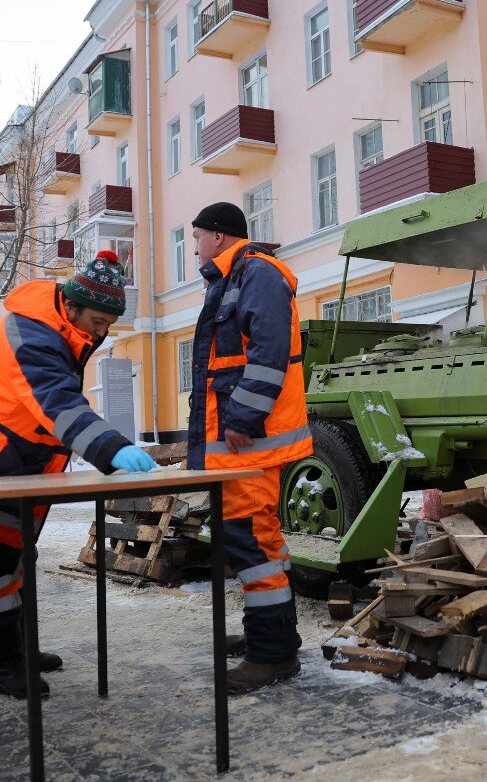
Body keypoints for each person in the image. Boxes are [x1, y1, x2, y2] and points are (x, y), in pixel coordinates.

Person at [0, 251, 157, 698]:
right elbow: (56, 403)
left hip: (13, 467)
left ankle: (20, 648)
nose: (102, 332)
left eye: (109, 323)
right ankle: (8, 667)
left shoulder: (58, 325)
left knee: (17, 562)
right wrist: (114, 449)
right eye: (98, 320)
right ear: (72, 305)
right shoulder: (33, 334)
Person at [186, 201, 313, 693]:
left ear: (218, 236)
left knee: (251, 542)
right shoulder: (236, 276)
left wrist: (242, 415)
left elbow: (268, 352)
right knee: (260, 540)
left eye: (197, 236)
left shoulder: (255, 272)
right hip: (242, 443)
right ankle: (275, 631)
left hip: (248, 441)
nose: (194, 246)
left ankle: (273, 655)